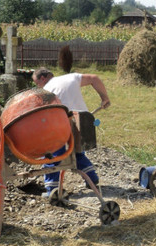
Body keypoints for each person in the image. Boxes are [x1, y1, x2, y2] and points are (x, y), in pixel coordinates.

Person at [31, 67, 111, 196]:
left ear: (42, 78)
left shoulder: (46, 90)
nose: (37, 86)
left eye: (37, 83)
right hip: (81, 122)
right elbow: (94, 78)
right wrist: (104, 98)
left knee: (53, 154)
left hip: (61, 124)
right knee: (77, 152)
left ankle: (52, 189)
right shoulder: (71, 77)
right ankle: (92, 179)